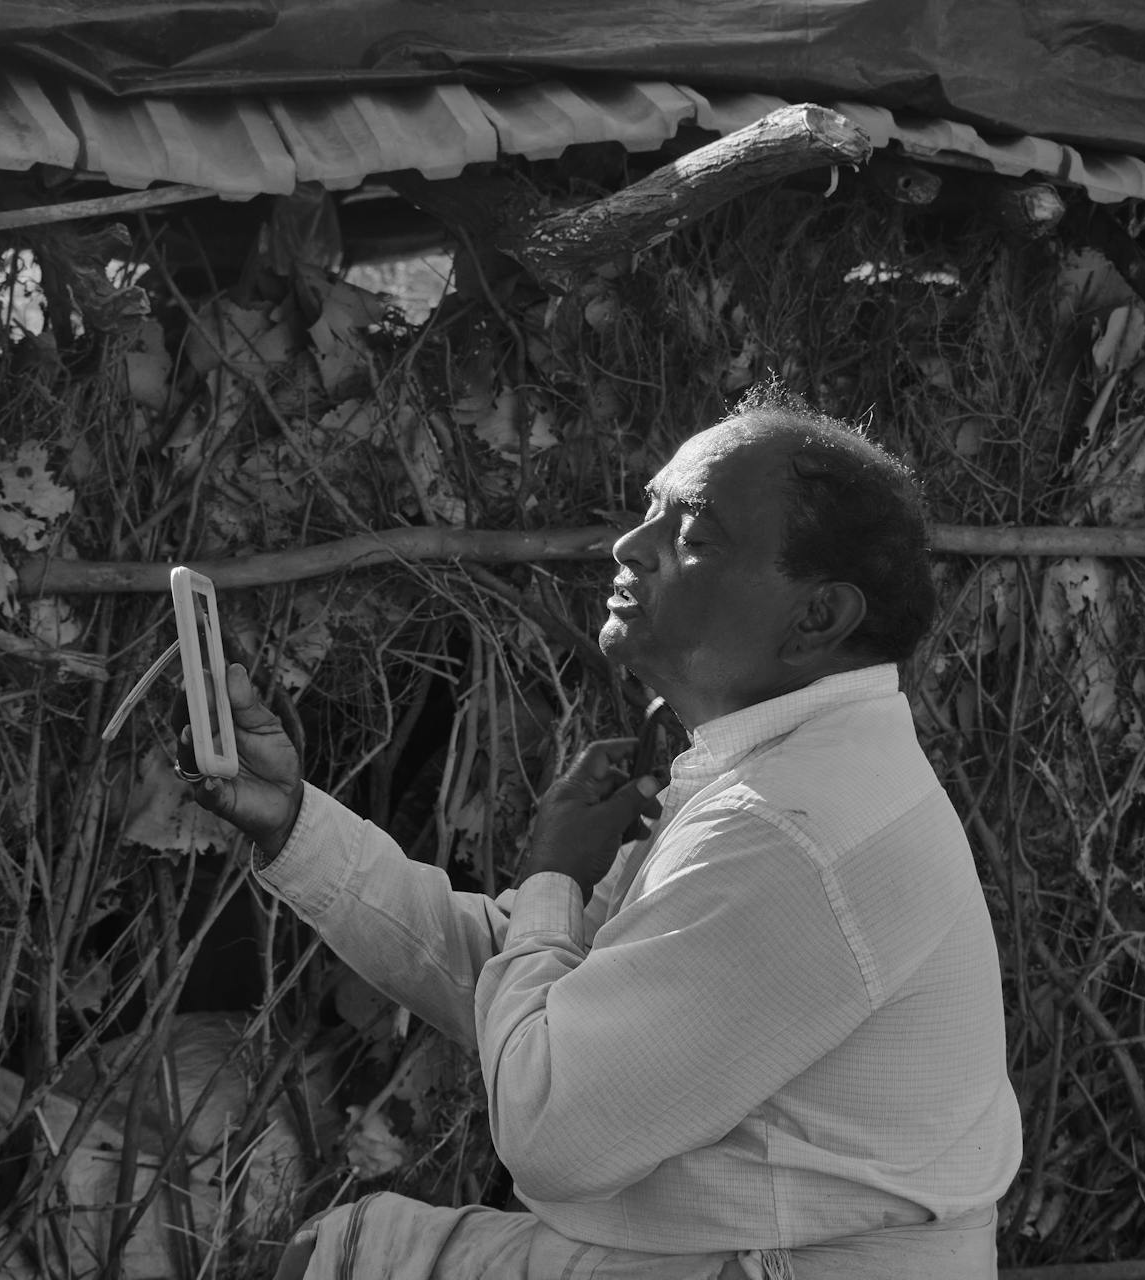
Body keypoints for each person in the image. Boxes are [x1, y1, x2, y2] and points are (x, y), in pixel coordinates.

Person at [189, 384, 1022, 1278]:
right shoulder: (790, 778)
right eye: (651, 513)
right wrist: (293, 821)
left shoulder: (786, 832)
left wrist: (556, 878)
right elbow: (537, 985)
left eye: (694, 537)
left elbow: (552, 1127)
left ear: (817, 617)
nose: (630, 547)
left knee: (342, 1260)